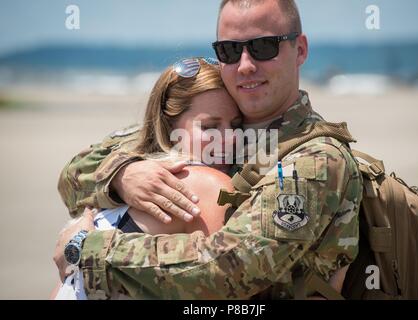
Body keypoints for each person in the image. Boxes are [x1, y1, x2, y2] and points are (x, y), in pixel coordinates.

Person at [54, 0, 363, 299]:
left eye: (263, 47)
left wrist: (87, 249)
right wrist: (123, 176)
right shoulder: (215, 123)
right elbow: (72, 175)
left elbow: (231, 268)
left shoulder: (316, 159)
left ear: (300, 50)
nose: (245, 66)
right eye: (229, 51)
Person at [52, 57, 240, 299]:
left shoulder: (139, 166)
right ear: (171, 127)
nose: (230, 138)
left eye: (236, 124)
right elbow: (224, 291)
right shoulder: (210, 186)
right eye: (209, 127)